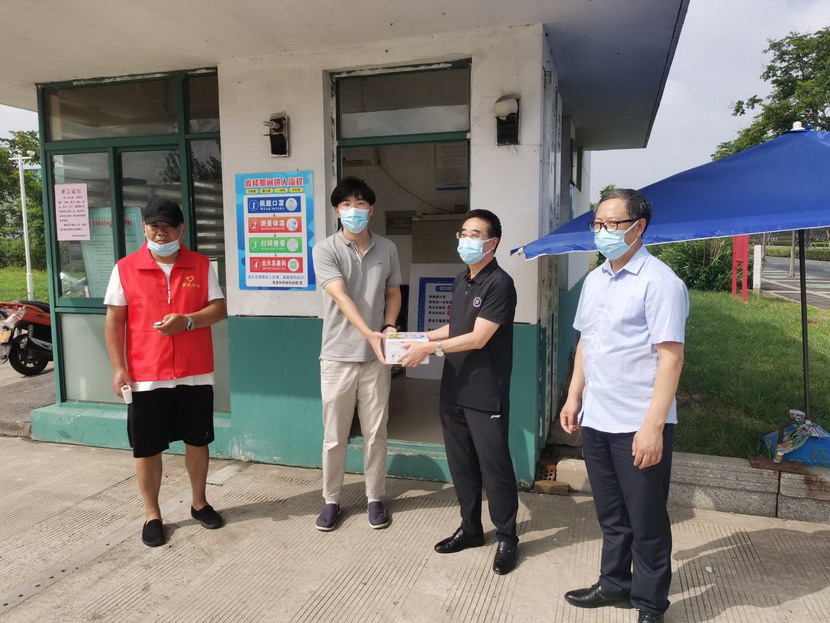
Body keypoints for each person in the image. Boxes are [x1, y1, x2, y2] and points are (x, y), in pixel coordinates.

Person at [560, 188, 688, 623]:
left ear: (639, 227)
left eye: (613, 224)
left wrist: (653, 427)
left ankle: (650, 603)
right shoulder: (595, 279)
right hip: (597, 416)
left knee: (646, 519)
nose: (603, 232)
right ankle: (614, 583)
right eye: (598, 224)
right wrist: (574, 395)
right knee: (611, 513)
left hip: (638, 420)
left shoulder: (661, 282)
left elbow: (671, 358)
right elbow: (586, 341)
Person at [399, 209, 519, 576]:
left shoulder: (500, 283)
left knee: (494, 467)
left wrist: (430, 349)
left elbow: (479, 337)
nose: (466, 240)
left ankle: (507, 536)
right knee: (462, 464)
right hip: (454, 387)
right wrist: (417, 338)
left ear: (492, 242)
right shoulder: (461, 279)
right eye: (463, 233)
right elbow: (457, 327)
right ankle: (470, 528)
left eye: (475, 234)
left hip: (485, 391)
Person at [104, 198, 227, 548]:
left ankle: (199, 503)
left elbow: (219, 308)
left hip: (194, 371)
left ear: (181, 229)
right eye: (155, 226)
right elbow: (114, 322)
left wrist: (188, 321)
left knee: (198, 441)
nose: (162, 232)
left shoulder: (200, 265)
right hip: (146, 375)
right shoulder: (125, 268)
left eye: (169, 226)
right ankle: (152, 514)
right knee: (147, 448)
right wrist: (118, 368)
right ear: (144, 228)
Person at [311, 177, 402, 531]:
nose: (354, 210)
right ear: (337, 211)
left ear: (371, 209)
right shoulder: (325, 249)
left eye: (360, 204)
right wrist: (370, 333)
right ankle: (331, 499)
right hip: (337, 356)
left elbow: (393, 292)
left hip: (376, 359)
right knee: (334, 436)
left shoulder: (388, 248)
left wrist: (389, 326)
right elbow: (340, 295)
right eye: (346, 205)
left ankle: (375, 498)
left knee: (376, 433)